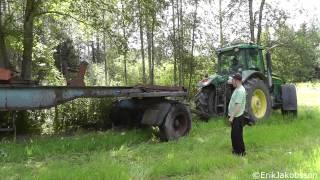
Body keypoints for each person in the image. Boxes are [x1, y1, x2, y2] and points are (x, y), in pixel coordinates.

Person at [228, 73, 247, 156]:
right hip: (236, 116)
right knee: (236, 134)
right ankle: (238, 150)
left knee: (236, 135)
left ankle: (240, 152)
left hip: (237, 116)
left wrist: (232, 117)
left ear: (236, 81)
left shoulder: (240, 91)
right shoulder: (237, 88)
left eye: (232, 80)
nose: (231, 82)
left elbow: (238, 105)